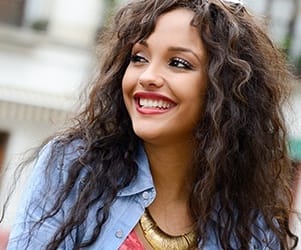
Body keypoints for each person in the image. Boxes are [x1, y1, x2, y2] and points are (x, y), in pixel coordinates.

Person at [6, 0, 299, 249]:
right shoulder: (73, 168)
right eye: (139, 58)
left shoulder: (251, 224)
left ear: (224, 89)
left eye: (179, 63)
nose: (148, 76)